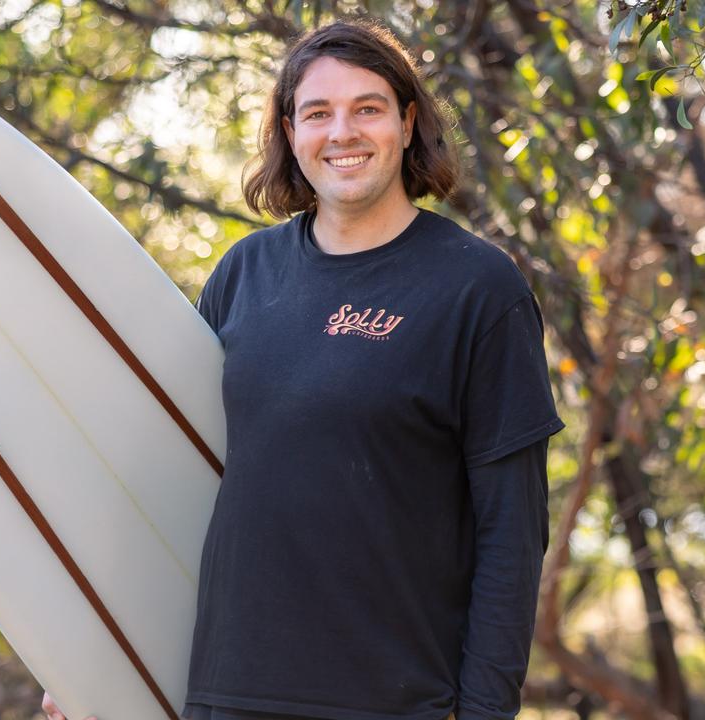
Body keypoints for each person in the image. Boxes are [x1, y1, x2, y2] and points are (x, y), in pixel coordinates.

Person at [43, 16, 563, 720]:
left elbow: (514, 533)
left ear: (408, 124)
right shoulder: (243, 275)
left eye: (368, 109)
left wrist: (482, 712)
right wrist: (97, 657)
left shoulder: (478, 290)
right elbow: (173, 480)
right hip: (224, 695)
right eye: (317, 113)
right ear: (291, 134)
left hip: (394, 704)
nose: (341, 133)